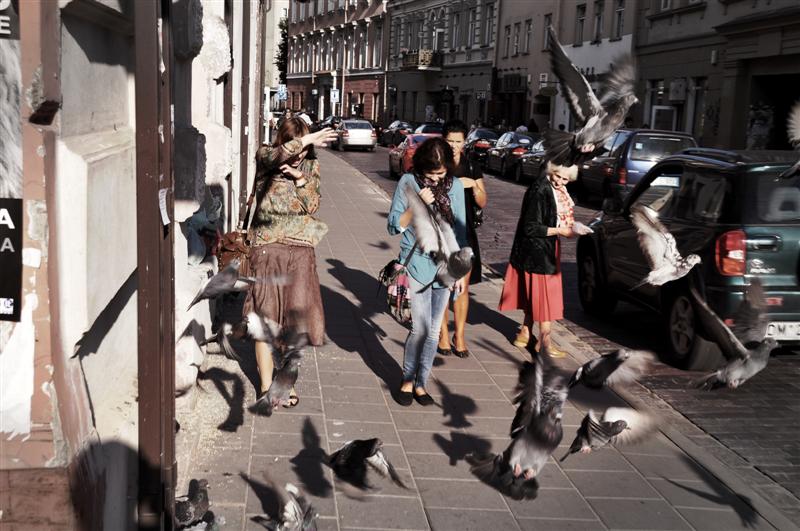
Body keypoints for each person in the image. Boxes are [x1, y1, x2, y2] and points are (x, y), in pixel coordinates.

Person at [247, 117, 338, 412]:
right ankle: (265, 386)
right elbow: (279, 154)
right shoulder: (266, 156)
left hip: (300, 250)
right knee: (265, 318)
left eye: (305, 148)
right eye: (295, 145)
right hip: (268, 248)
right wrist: (306, 140)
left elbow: (312, 206)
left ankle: (286, 382)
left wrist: (300, 178)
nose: (299, 154)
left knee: (292, 321)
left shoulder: (310, 166)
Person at [387, 138, 468, 406]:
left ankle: (421, 383)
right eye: (430, 174)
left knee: (434, 333)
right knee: (420, 329)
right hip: (417, 266)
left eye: (440, 174)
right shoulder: (408, 182)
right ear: (421, 167)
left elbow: (460, 231)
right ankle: (407, 380)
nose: (435, 179)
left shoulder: (455, 186)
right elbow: (393, 225)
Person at [498, 161, 580, 358]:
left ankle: (525, 333)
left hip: (542, 249)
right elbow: (530, 227)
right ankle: (544, 343)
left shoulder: (552, 188)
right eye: (558, 176)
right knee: (546, 298)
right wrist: (561, 231)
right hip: (539, 252)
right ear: (551, 171)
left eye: (565, 179)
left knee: (535, 294)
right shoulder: (540, 189)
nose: (560, 182)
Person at [437, 120, 487, 358]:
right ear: (443, 140)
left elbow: (482, 202)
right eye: (450, 141)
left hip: (465, 233)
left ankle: (460, 335)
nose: (454, 145)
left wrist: (474, 186)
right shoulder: (437, 163)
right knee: (442, 286)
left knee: (462, 288)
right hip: (440, 232)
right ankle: (442, 335)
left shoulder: (471, 166)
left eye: (458, 141)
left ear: (465, 142)